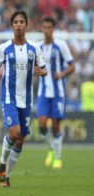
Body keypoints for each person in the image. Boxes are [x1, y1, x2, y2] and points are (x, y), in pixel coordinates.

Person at [0, 10, 47, 187]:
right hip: (9, 97)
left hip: (27, 98)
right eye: (15, 22)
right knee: (14, 132)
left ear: (26, 25)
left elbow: (44, 69)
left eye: (21, 22)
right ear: (12, 25)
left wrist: (42, 72)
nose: (18, 25)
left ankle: (6, 174)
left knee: (21, 138)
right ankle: (2, 162)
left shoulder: (34, 47)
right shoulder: (4, 48)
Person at [37, 17, 75, 169]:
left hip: (58, 91)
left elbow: (72, 66)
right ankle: (51, 149)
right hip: (43, 91)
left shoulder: (61, 45)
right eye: (44, 27)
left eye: (49, 27)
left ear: (53, 29)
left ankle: (58, 158)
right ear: (41, 29)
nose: (46, 30)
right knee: (41, 124)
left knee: (56, 126)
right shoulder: (37, 47)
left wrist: (62, 74)